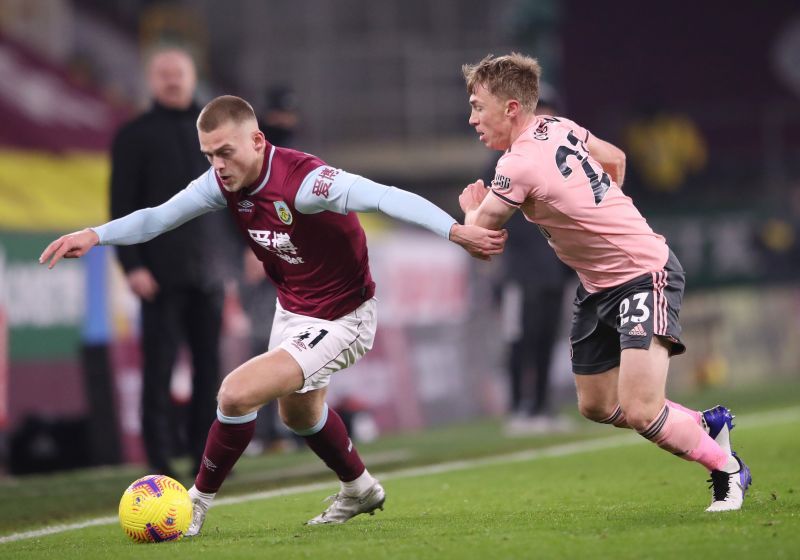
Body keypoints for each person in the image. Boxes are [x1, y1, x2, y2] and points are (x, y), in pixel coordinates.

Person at [40, 95, 507, 532]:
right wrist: (96, 235)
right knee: (301, 416)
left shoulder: (305, 182)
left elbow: (385, 196)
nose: (218, 166)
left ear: (258, 141)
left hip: (344, 317)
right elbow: (158, 217)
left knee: (236, 394)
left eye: (225, 152)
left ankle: (194, 504)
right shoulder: (220, 183)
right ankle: (360, 489)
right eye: (208, 155)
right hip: (294, 309)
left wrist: (454, 230)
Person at [458, 53, 750, 512]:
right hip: (597, 287)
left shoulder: (515, 166)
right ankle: (705, 424)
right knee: (596, 406)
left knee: (639, 410)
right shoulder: (559, 126)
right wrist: (605, 206)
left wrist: (469, 210)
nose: (472, 118)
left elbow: (480, 239)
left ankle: (728, 469)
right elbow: (615, 158)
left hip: (641, 273)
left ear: (512, 107)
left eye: (478, 106)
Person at [109, 47, 226, 478]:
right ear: (151, 80)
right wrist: (132, 265)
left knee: (210, 369)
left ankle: (205, 457)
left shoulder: (215, 131)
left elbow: (233, 195)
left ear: (193, 77)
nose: (172, 80)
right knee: (157, 369)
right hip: (158, 274)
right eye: (163, 73)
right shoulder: (134, 134)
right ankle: (157, 460)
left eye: (178, 73)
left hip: (209, 271)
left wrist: (248, 249)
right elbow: (121, 204)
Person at [487, 86, 573, 435]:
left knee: (546, 338)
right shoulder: (506, 158)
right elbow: (490, 215)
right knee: (520, 338)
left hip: (554, 269)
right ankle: (519, 408)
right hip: (520, 272)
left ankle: (541, 406)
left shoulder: (565, 157)